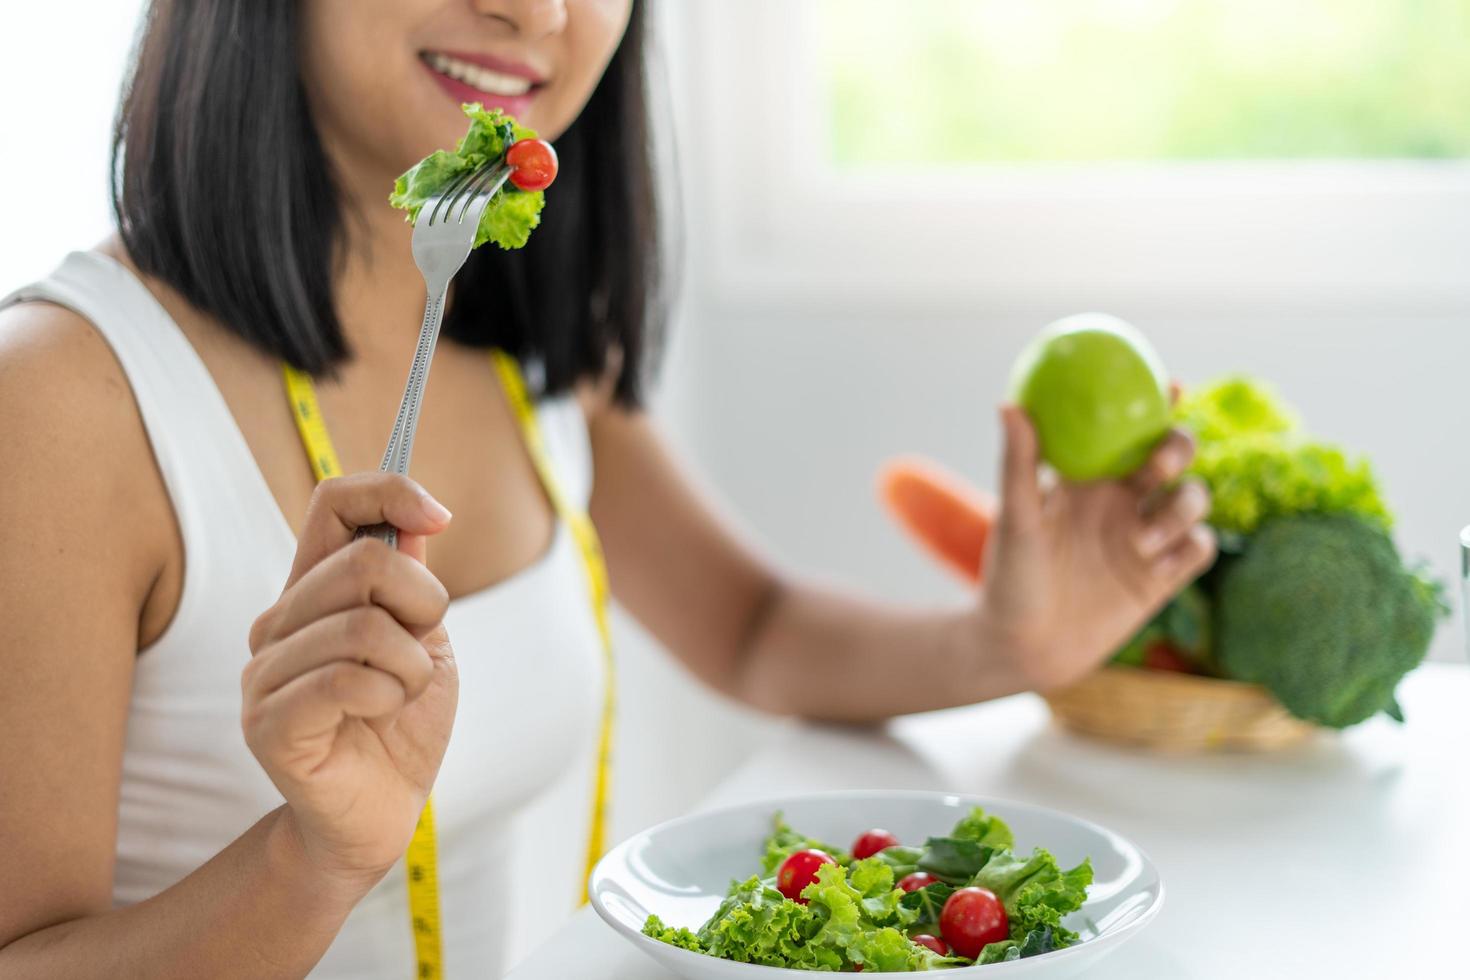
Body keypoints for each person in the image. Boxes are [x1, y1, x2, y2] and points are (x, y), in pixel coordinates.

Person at [0, 1, 1215, 976]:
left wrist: (1010, 641)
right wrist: (315, 857)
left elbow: (751, 628)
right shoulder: (59, 397)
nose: (536, 12)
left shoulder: (521, 340)